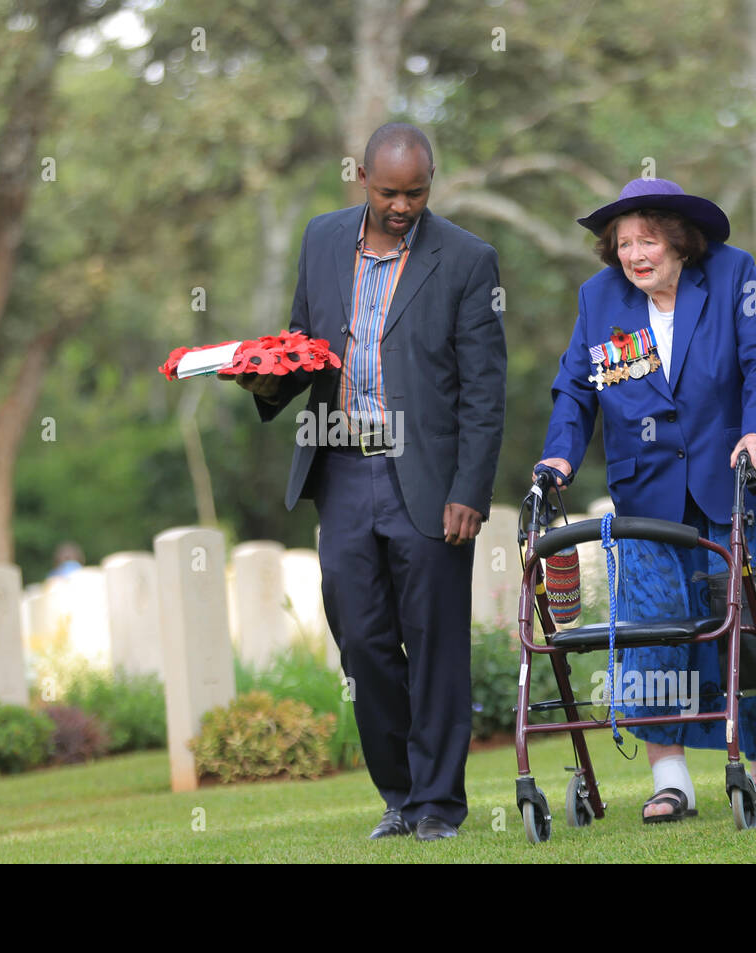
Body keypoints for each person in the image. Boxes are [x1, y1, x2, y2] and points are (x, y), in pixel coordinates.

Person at [536, 177, 756, 822]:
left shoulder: (734, 274)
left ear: (680, 243)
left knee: (754, 624)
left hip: (740, 475)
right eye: (623, 243)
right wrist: (559, 454)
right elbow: (575, 388)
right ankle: (670, 779)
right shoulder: (599, 299)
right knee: (652, 626)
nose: (633, 254)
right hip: (647, 484)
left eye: (647, 240)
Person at [234, 123, 506, 840]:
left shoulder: (469, 260)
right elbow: (301, 344)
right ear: (361, 177)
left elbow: (484, 390)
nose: (404, 205)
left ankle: (440, 805)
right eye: (389, 192)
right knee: (362, 637)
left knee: (437, 639)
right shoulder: (322, 240)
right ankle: (399, 793)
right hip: (343, 467)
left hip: (429, 476)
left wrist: (469, 491)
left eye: (417, 192)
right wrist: (261, 382)